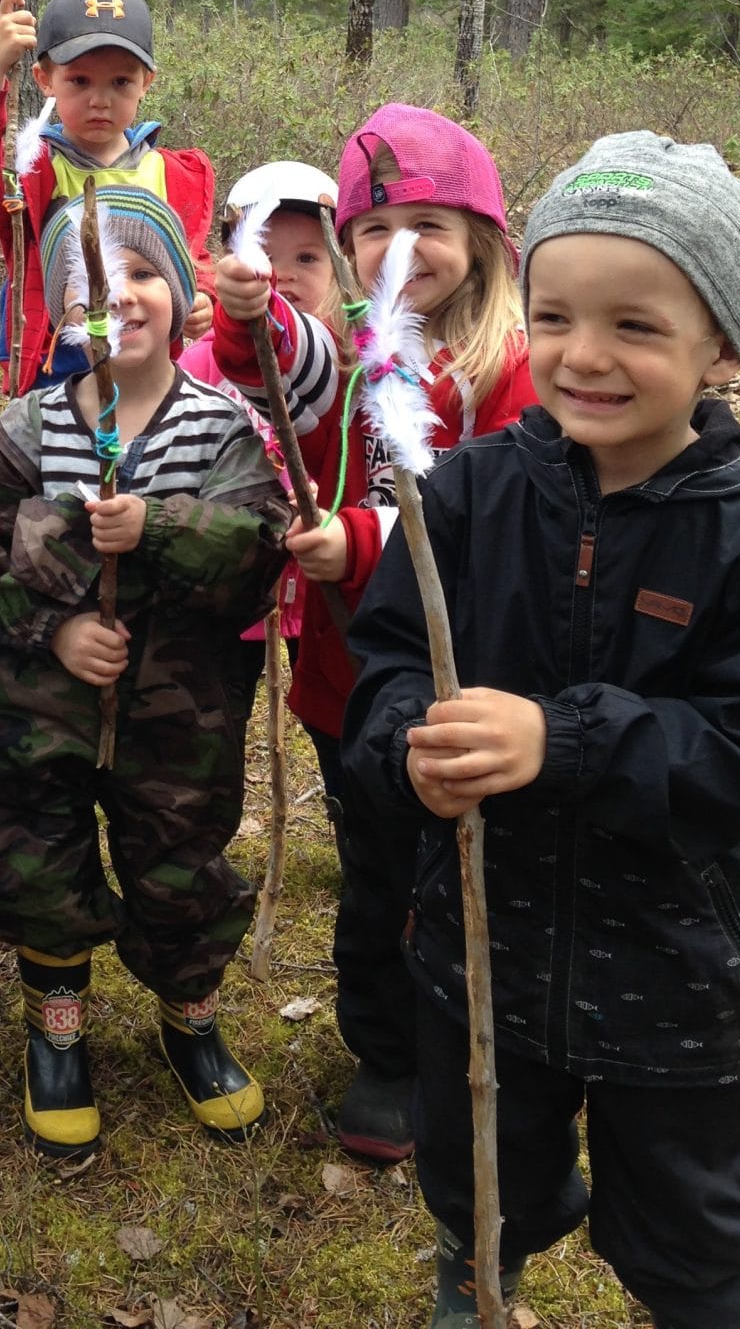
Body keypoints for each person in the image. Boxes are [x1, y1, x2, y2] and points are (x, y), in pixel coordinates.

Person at [343, 132, 740, 1328]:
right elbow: (388, 668)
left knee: (687, 1210)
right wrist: (414, 743)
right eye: (558, 315)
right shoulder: (466, 495)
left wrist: (560, 740)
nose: (585, 355)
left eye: (636, 325)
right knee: (480, 1160)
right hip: (482, 940)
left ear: (719, 345)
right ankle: (482, 1258)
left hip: (678, 969)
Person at [209, 105, 534, 1164]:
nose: (404, 250)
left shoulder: (507, 372)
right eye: (378, 227)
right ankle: (387, 1049)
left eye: (432, 224)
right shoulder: (347, 355)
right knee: (379, 873)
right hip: (349, 686)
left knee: (472, 877)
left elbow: (494, 518)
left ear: (483, 236)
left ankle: (486, 1040)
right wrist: (248, 316)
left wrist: (360, 537)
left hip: (477, 693)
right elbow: (278, 366)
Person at [0, 185, 290, 1156]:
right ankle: (57, 1032)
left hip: (181, 725)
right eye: (89, 282)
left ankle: (192, 1019)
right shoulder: (31, 424)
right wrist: (52, 627)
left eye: (140, 272)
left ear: (180, 291)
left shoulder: (218, 426)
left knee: (182, 864)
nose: (118, 297)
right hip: (32, 723)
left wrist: (159, 524)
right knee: (37, 860)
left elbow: (259, 550)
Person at [0, 0, 216, 394]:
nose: (100, 100)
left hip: (146, 354)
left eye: (121, 82)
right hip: (57, 360)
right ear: (44, 78)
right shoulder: (34, 169)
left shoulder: (171, 173)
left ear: (147, 82)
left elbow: (192, 258)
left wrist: (204, 296)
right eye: (80, 81)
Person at [182, 159, 340, 654]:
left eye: (308, 259)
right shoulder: (204, 360)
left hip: (316, 583)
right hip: (233, 580)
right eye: (267, 256)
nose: (284, 275)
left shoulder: (348, 367)